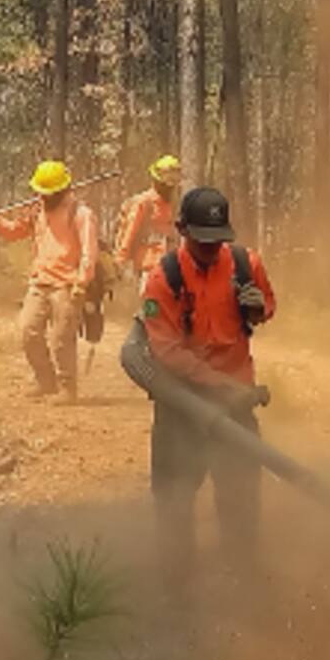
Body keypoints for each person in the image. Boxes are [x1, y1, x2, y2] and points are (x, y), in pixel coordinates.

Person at [138, 186, 275, 579]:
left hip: (236, 405)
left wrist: (257, 308)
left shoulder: (247, 264)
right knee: (175, 500)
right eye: (203, 242)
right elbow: (167, 353)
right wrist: (219, 384)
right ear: (182, 230)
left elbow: (268, 303)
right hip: (182, 405)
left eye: (218, 241)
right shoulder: (163, 279)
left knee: (240, 496)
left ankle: (241, 578)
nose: (211, 249)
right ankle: (178, 587)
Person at [0, 160, 100, 405]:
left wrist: (81, 283)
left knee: (61, 339)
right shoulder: (36, 211)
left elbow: (89, 251)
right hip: (40, 281)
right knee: (28, 331)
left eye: (47, 193)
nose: (42, 197)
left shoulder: (81, 214)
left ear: (62, 190)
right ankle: (46, 382)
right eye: (39, 192)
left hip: (67, 284)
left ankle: (68, 388)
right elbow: (14, 232)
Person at [114, 155, 183, 290]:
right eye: (166, 185)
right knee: (150, 307)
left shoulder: (171, 204)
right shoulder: (144, 202)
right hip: (148, 266)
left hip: (169, 266)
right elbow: (130, 232)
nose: (169, 189)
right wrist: (120, 261)